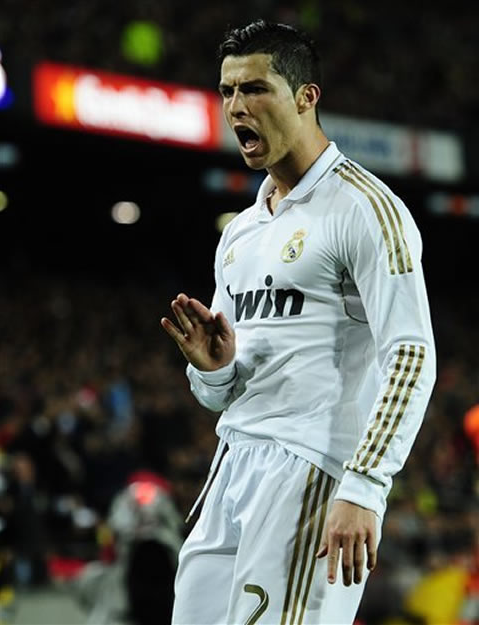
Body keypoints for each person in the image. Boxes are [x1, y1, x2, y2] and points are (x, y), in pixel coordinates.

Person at [161, 19, 436, 625]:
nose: (237, 106)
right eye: (227, 91)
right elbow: (224, 392)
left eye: (255, 88)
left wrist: (364, 486)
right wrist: (214, 371)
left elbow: (412, 354)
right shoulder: (241, 231)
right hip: (233, 461)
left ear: (306, 96)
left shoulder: (365, 209)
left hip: (311, 467)